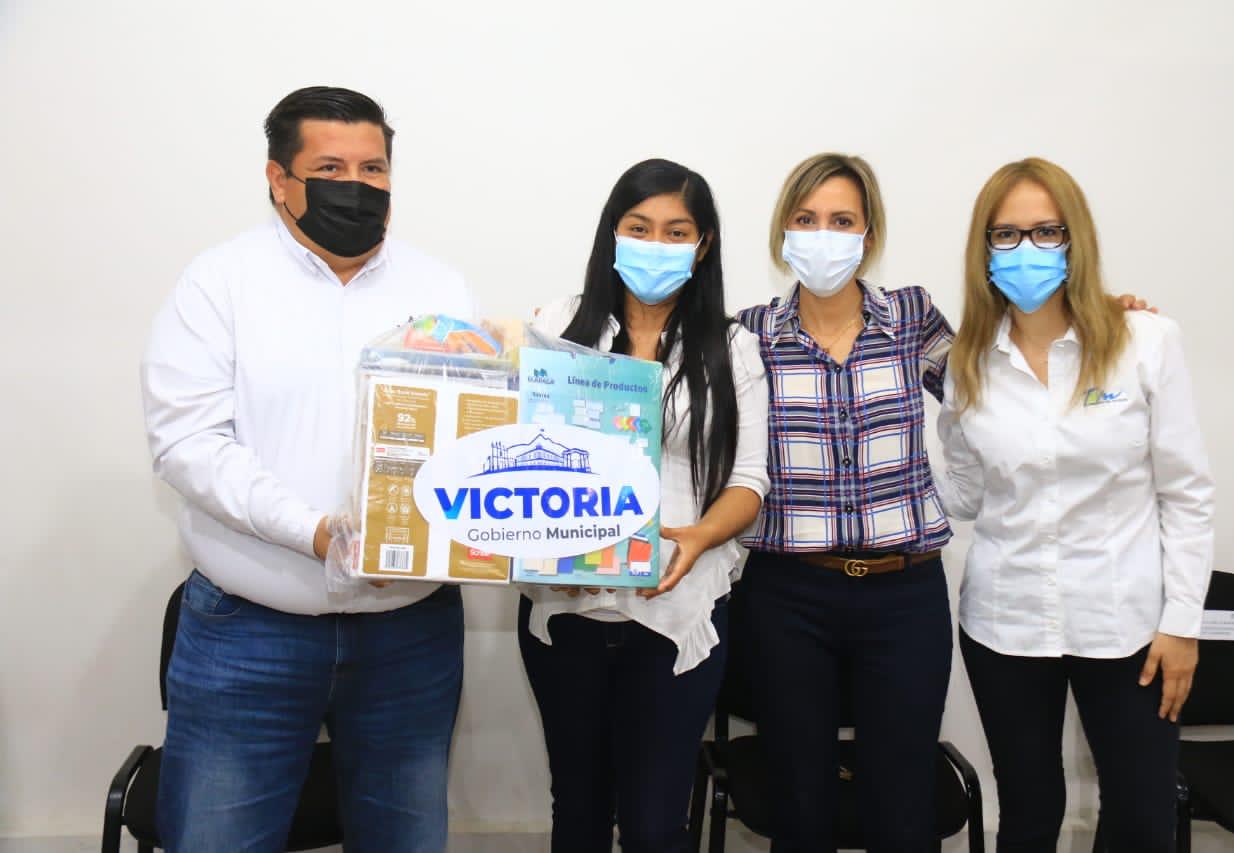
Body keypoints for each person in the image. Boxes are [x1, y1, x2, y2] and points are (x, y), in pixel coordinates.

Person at [140, 86, 472, 852]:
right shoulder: (218, 283)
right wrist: (316, 532)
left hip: (410, 635)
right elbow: (188, 443)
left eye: (373, 168)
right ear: (278, 178)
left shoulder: (441, 290)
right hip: (249, 632)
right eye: (329, 167)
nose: (356, 185)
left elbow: (470, 443)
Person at [937, 157, 1214, 852]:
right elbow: (964, 494)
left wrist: (1183, 623)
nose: (1026, 249)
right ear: (983, 248)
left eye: (1046, 231)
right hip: (1005, 622)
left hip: (1128, 625)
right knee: (1029, 813)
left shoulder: (1145, 341)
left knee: (1142, 816)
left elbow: (1186, 493)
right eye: (1006, 234)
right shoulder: (967, 363)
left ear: (1075, 238)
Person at [518, 158, 770, 852]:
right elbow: (516, 457)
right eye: (639, 227)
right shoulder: (555, 328)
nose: (656, 245)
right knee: (578, 810)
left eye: (676, 232)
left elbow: (750, 480)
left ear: (703, 244)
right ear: (613, 232)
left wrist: (698, 536)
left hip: (676, 607)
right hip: (565, 607)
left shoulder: (733, 348)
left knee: (657, 823)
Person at [734, 152, 955, 852]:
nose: (822, 235)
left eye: (841, 220)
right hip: (788, 596)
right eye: (806, 219)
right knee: (800, 806)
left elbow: (1001, 387)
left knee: (904, 807)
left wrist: (1101, 323)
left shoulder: (911, 317)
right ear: (782, 232)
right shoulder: (747, 335)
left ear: (869, 234)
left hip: (905, 594)